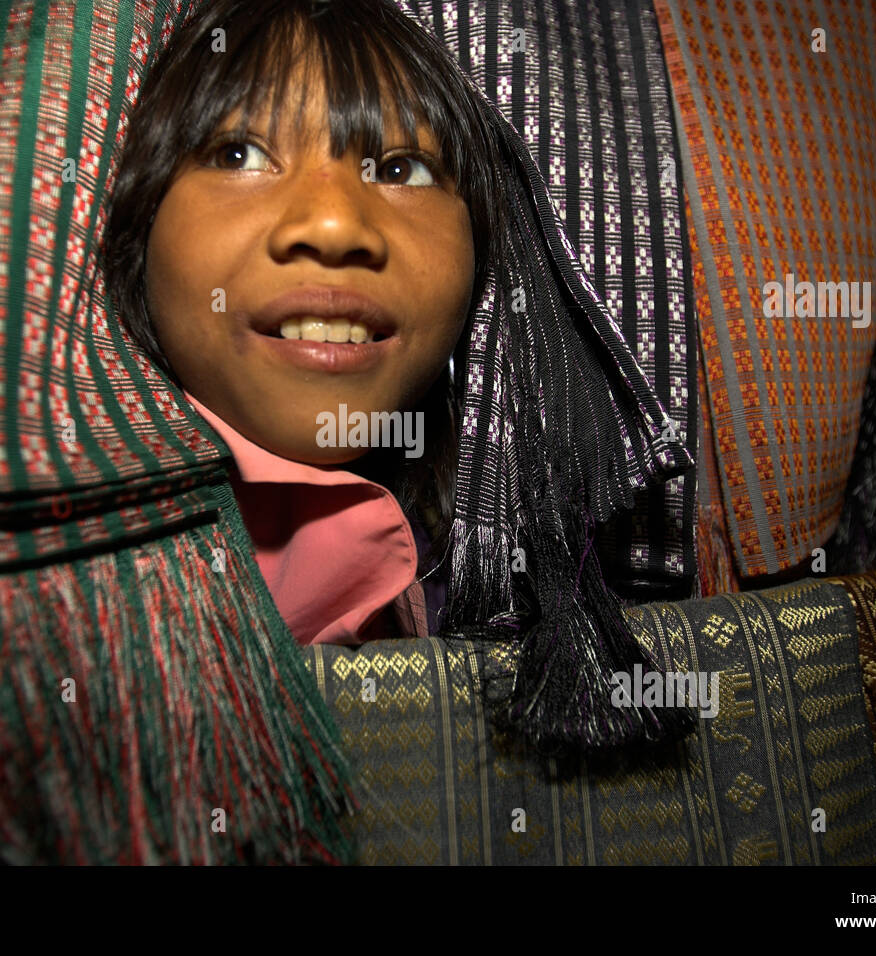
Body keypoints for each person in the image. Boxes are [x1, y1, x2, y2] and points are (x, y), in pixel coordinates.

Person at [102, 0, 697, 755]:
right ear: (134, 226)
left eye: (399, 168)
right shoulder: (78, 593)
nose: (332, 225)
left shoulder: (482, 572)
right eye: (238, 154)